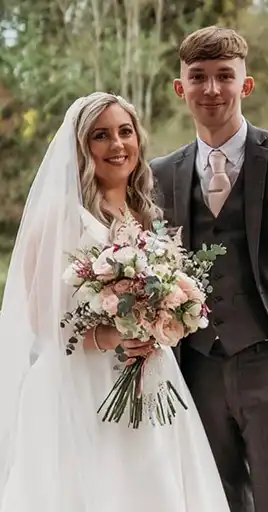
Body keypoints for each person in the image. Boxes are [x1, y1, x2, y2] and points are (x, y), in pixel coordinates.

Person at [0, 92, 230, 512]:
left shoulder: (143, 213)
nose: (117, 144)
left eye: (125, 131)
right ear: (81, 148)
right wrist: (114, 339)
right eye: (100, 136)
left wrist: (166, 317)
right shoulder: (61, 216)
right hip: (79, 387)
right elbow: (43, 320)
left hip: (147, 379)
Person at [150, 26, 268, 512]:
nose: (211, 89)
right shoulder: (160, 175)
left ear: (246, 84)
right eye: (198, 77)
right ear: (181, 88)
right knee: (214, 503)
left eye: (224, 76)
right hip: (196, 371)